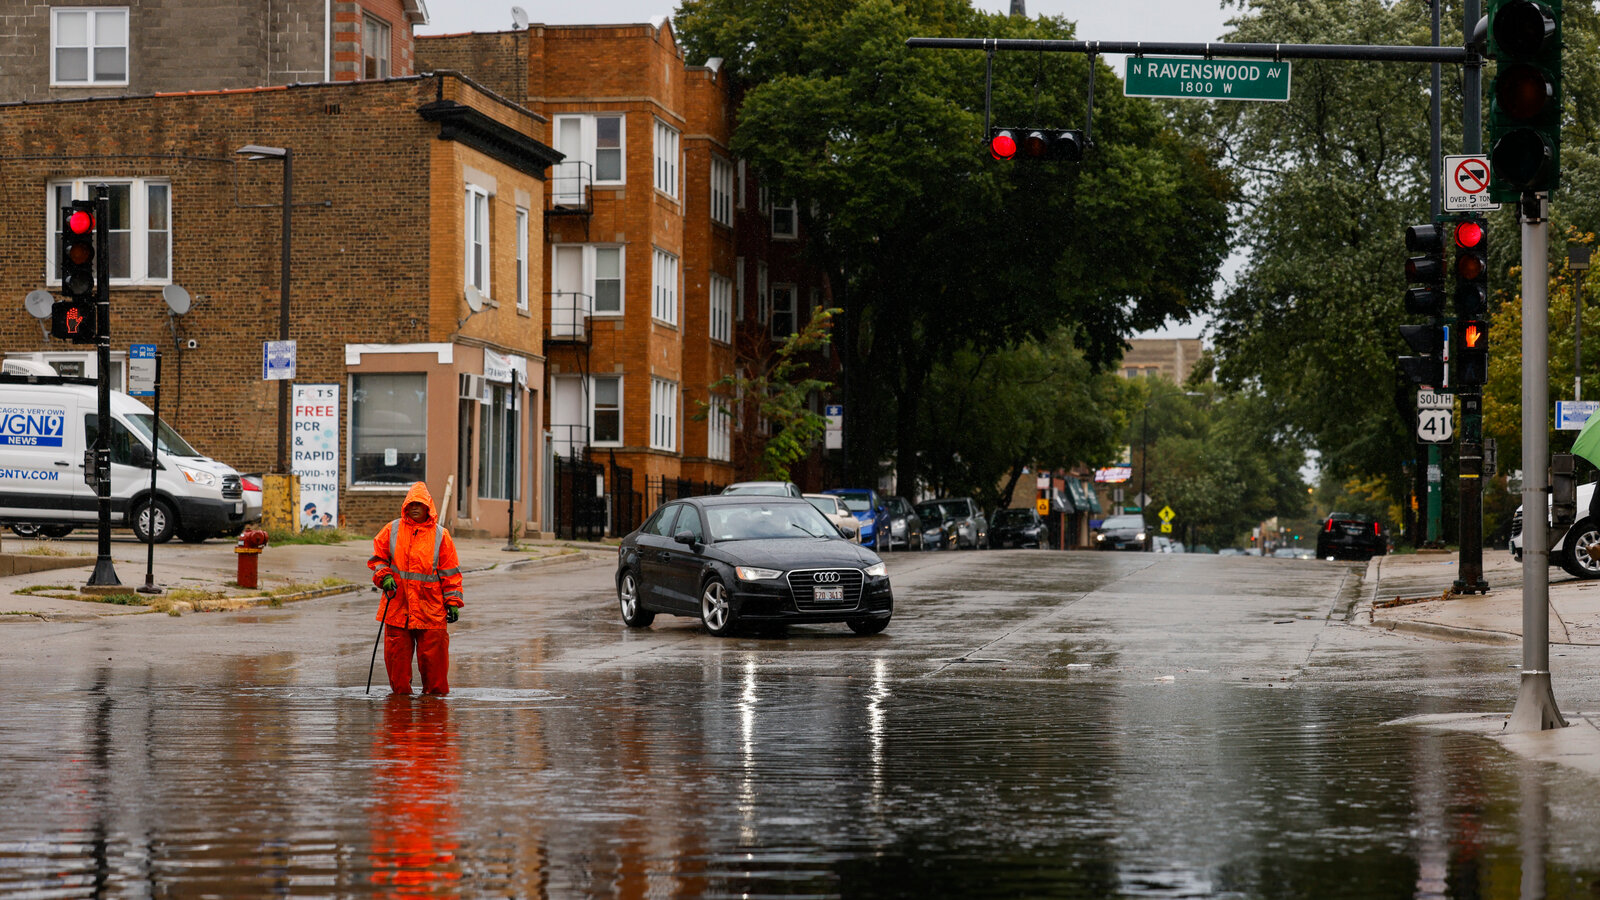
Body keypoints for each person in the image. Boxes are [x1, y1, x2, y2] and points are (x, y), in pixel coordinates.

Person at [368, 482, 463, 695]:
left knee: (435, 667)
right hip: (398, 607)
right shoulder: (392, 530)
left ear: (428, 506)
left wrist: (453, 602)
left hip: (431, 609)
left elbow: (450, 572)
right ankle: (400, 711)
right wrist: (384, 577)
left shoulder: (441, 536)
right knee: (397, 665)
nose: (415, 508)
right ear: (405, 506)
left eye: (419, 504)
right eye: (411, 504)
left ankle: (434, 714)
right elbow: (378, 559)